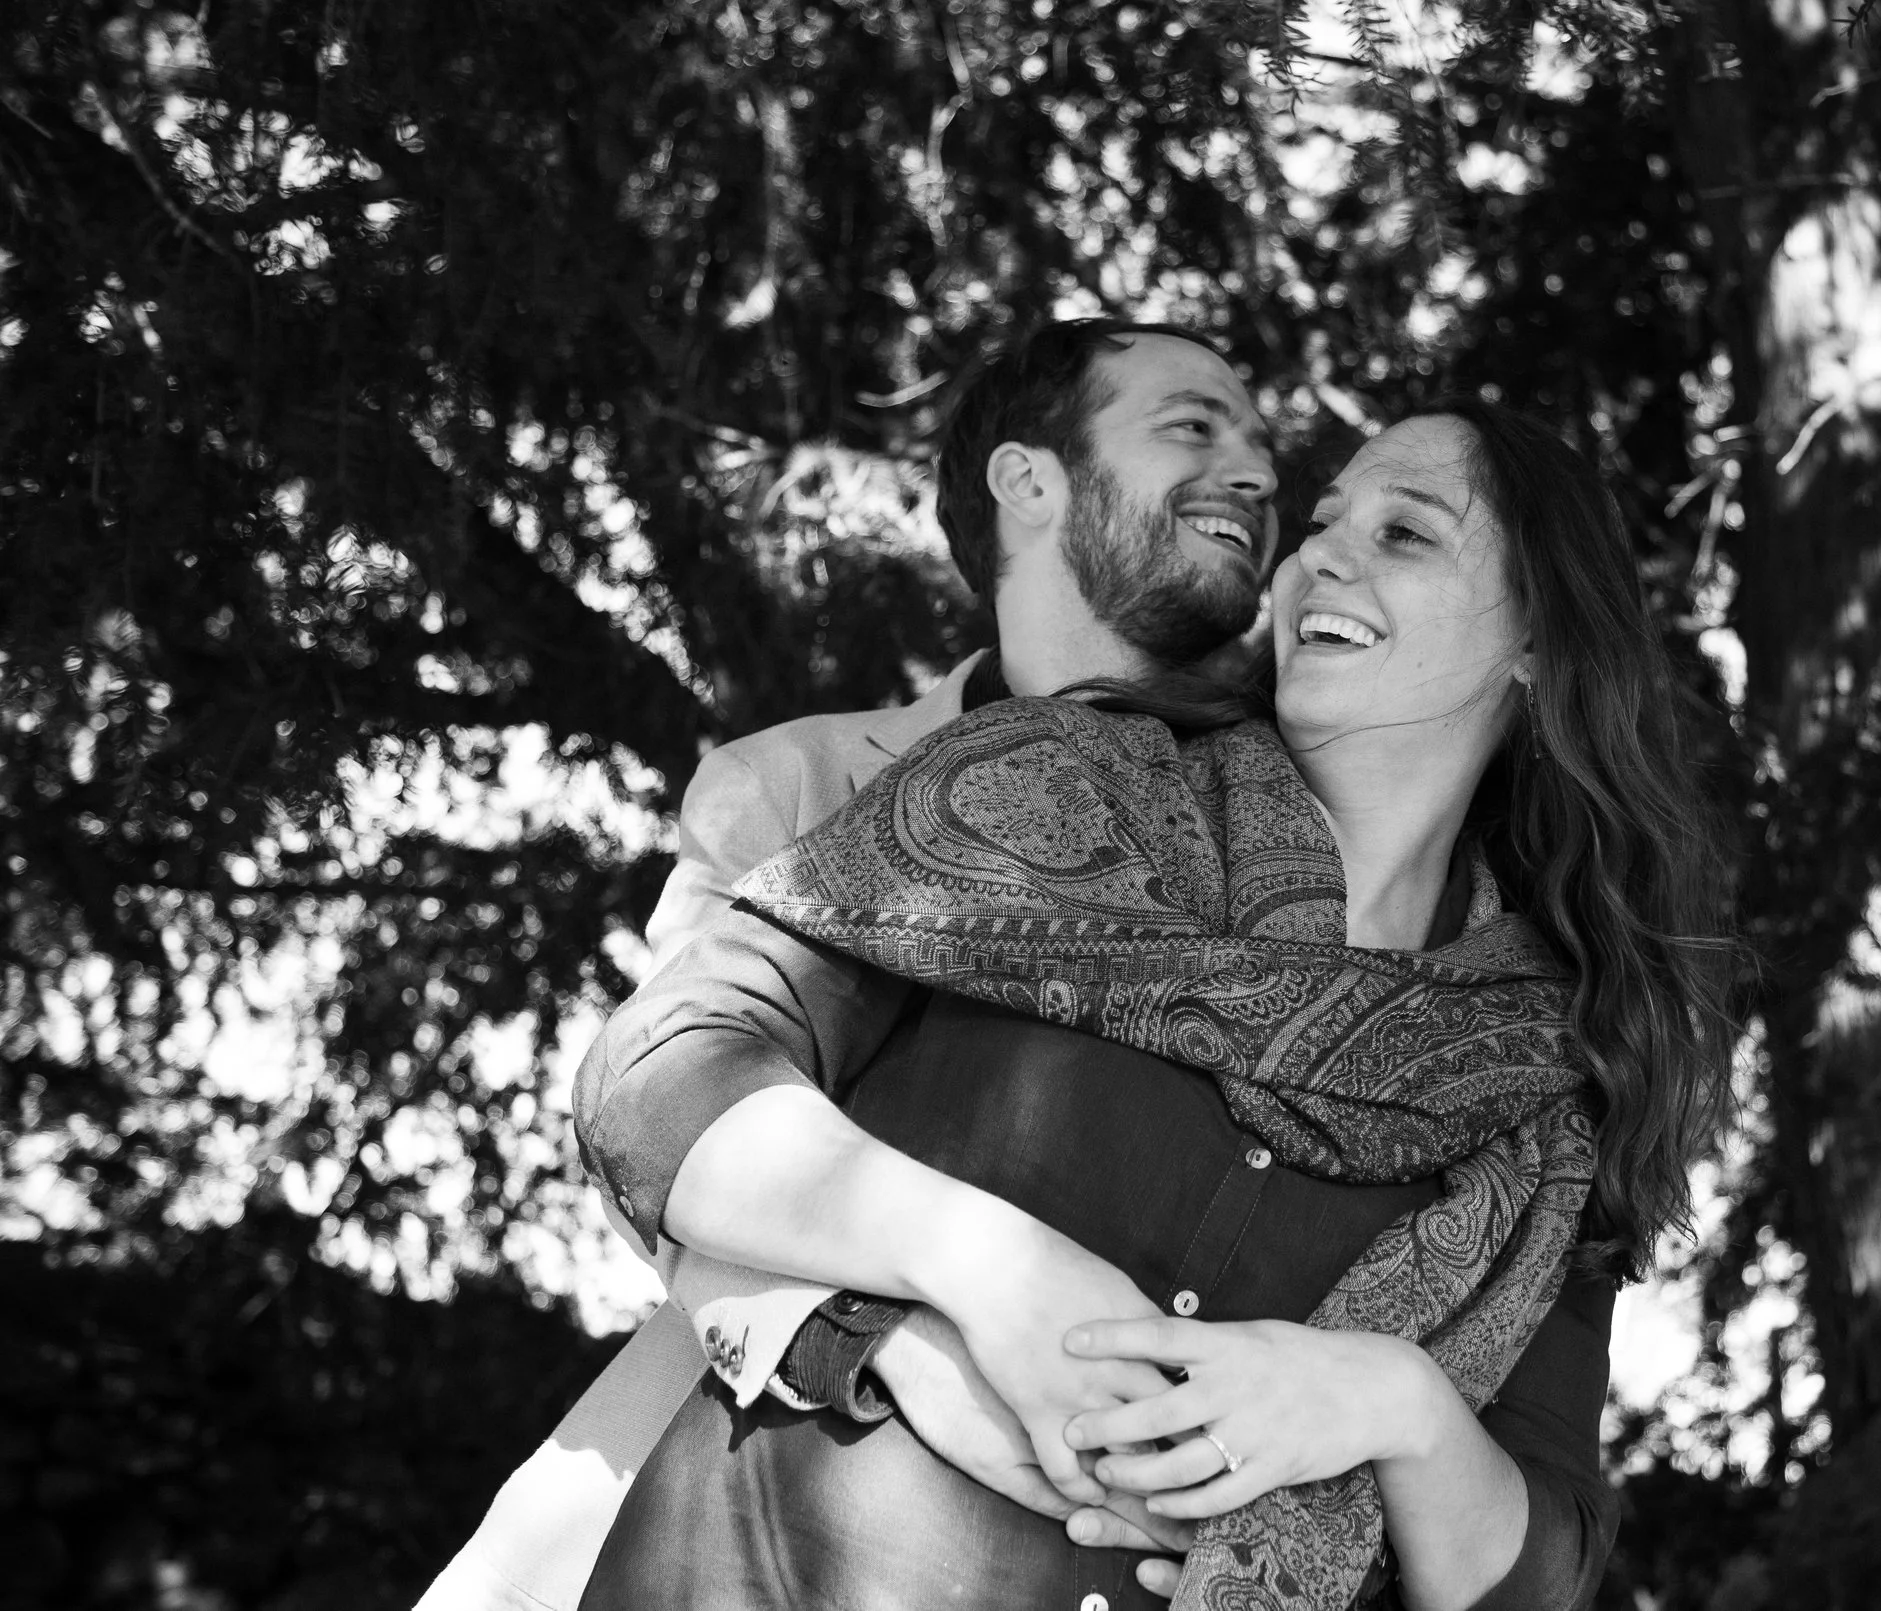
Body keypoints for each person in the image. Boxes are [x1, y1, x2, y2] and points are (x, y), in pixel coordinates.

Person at [570, 400, 1740, 1608]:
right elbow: (660, 1075)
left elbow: (1539, 1564)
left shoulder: (1548, 1077)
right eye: (1325, 520)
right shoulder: (1044, 782)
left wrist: (1393, 1405)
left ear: (1538, 643)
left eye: (1406, 533)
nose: (1320, 552)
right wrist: (974, 1270)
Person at [415, 317, 1283, 1611]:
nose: (1259, 470)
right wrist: (903, 1343)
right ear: (1029, 479)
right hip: (706, 1524)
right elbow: (675, 1148)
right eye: (1194, 424)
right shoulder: (801, 778)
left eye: (1263, 441)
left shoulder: (1308, 826)